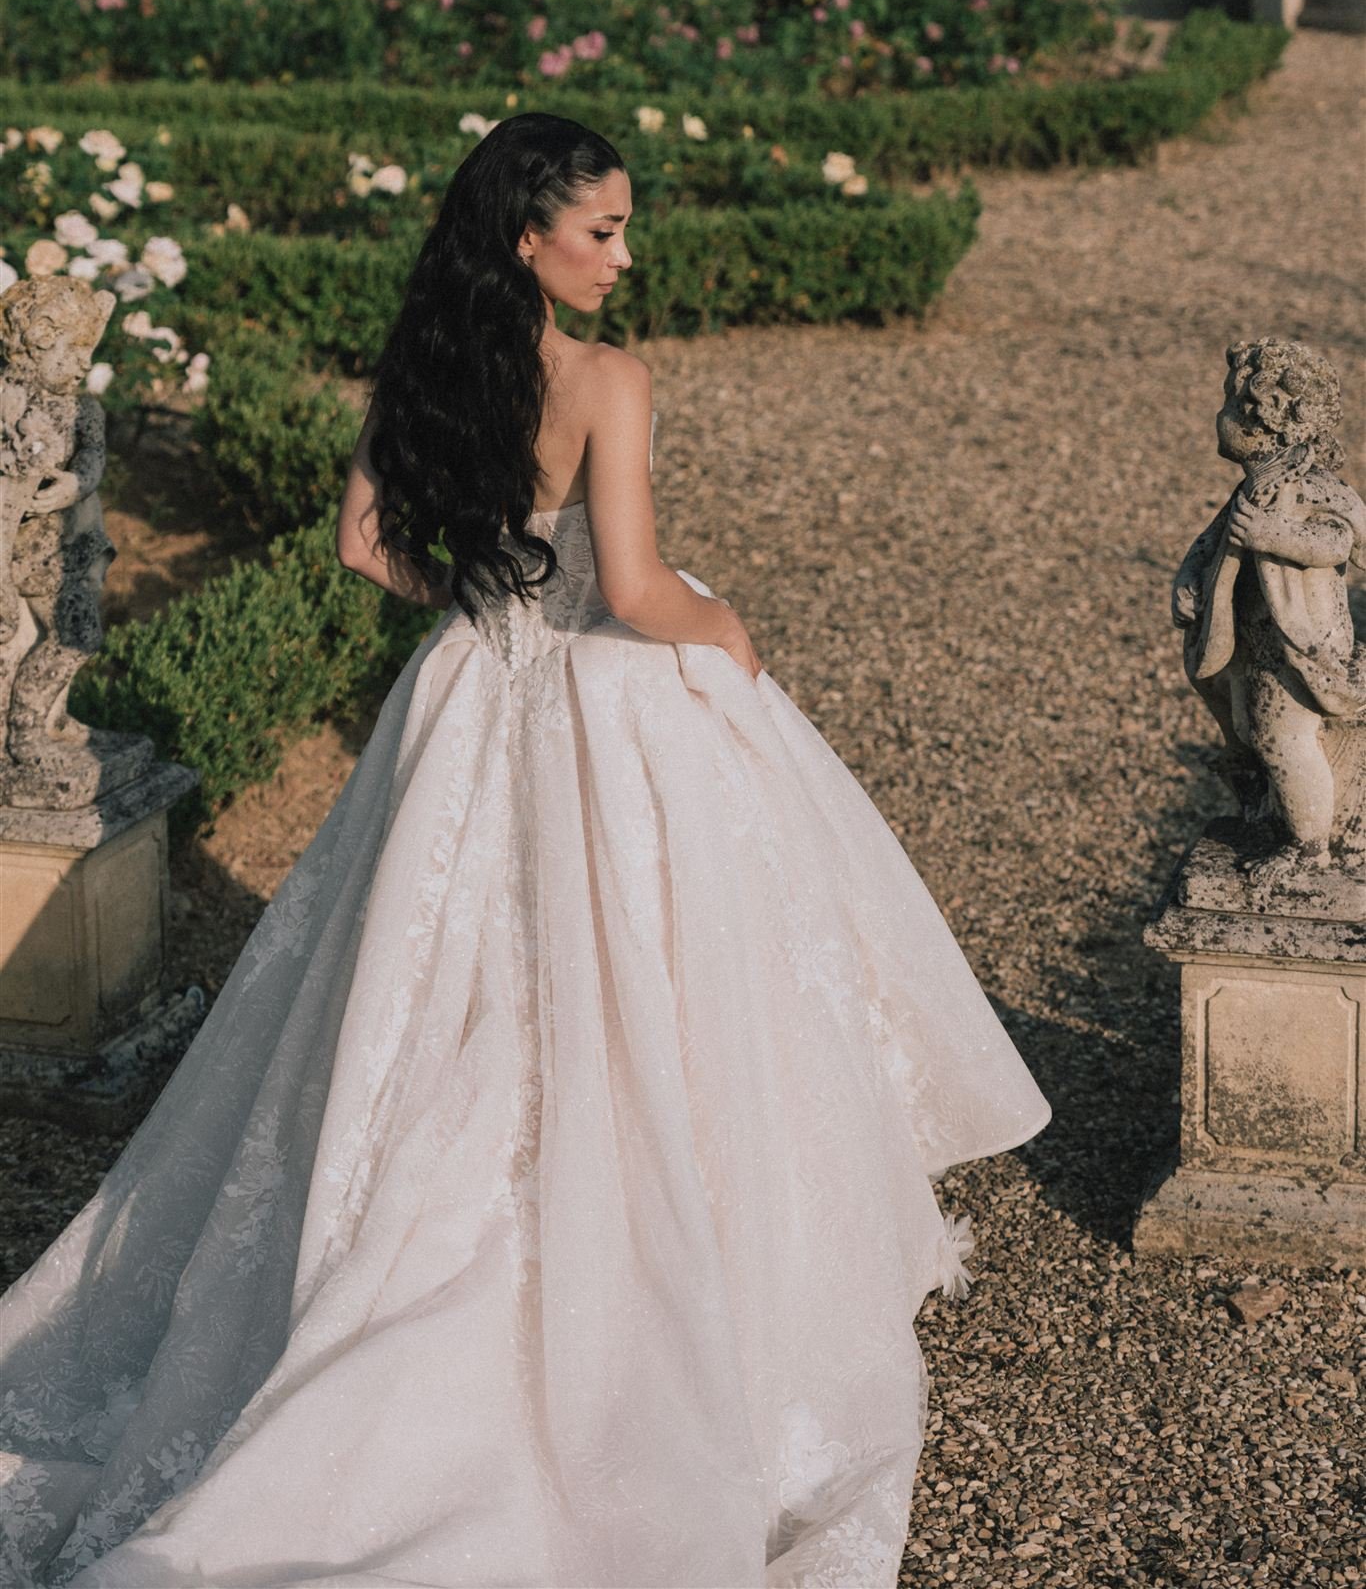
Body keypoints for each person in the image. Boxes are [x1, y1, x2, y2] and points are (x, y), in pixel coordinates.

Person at [0, 113, 1051, 1588]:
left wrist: (480, 590)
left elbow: (368, 552)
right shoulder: (607, 380)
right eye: (601, 232)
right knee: (634, 971)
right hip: (599, 706)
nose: (625, 256)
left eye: (625, 229)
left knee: (435, 983)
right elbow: (628, 586)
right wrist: (723, 627)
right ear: (527, 239)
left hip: (467, 687)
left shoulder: (432, 360)